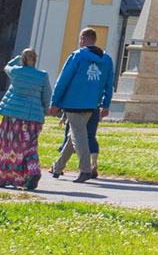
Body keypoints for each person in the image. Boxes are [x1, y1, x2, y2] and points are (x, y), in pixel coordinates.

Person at [46, 27, 115, 182]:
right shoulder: (107, 59)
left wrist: (54, 102)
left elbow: (63, 80)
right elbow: (109, 83)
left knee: (79, 136)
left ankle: (85, 170)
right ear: (95, 40)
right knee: (74, 135)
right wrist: (106, 103)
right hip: (92, 103)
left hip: (74, 102)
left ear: (83, 39)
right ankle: (57, 167)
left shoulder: (76, 56)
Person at [0, 47, 50, 190]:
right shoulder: (42, 76)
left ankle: (1, 177)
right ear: (35, 59)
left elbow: (7, 66)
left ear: (23, 59)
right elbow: (46, 96)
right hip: (33, 117)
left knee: (5, 145)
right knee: (29, 145)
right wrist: (45, 109)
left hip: (12, 116)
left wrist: (17, 59)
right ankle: (33, 171)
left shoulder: (16, 72)